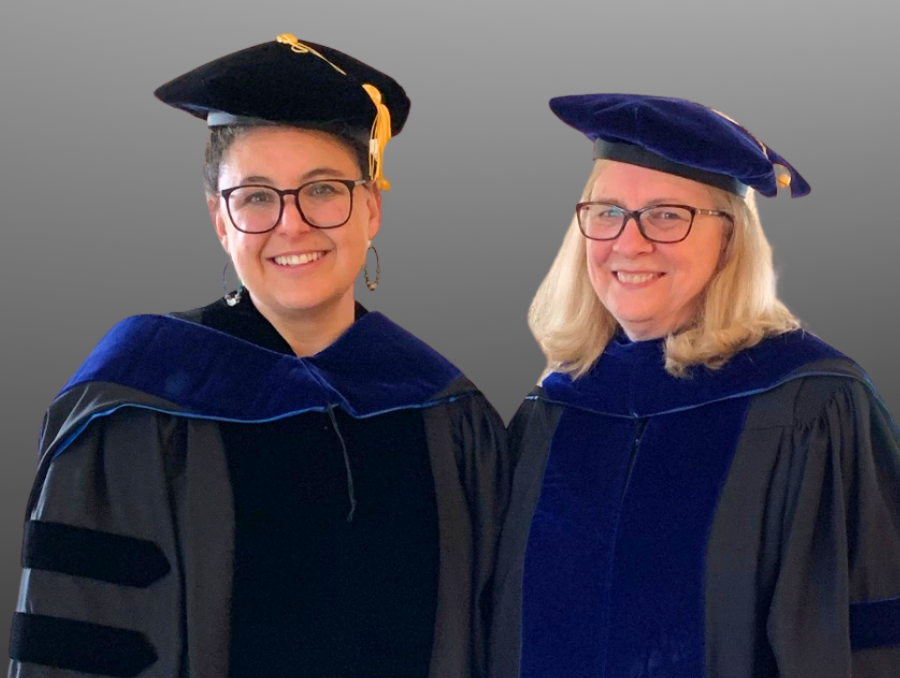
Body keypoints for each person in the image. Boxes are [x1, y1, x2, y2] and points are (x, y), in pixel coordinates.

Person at [9, 34, 507, 678]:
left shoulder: (449, 414)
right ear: (220, 220)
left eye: (323, 189)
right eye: (256, 197)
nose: (292, 224)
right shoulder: (138, 406)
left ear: (371, 207)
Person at [491, 94, 900, 678]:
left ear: (730, 240)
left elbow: (861, 636)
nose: (629, 243)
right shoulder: (556, 408)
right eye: (607, 211)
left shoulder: (811, 405)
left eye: (667, 214)